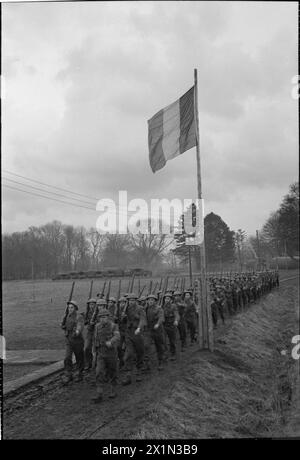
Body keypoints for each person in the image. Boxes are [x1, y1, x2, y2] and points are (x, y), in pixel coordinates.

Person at [91, 303, 120, 403]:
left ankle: (113, 390)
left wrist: (111, 341)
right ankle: (99, 393)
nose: (103, 319)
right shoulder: (97, 327)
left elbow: (117, 336)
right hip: (101, 353)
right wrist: (94, 350)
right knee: (99, 372)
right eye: (101, 317)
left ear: (108, 317)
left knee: (112, 372)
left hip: (111, 353)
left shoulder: (113, 326)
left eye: (105, 317)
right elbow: (95, 339)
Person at [121, 293, 146, 385]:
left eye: (133, 300)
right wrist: (123, 317)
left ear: (136, 300)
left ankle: (139, 370)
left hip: (138, 333)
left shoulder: (140, 308)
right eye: (130, 300)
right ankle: (128, 375)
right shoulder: (126, 309)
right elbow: (123, 321)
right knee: (129, 354)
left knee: (140, 353)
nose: (131, 302)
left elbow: (143, 320)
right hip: (129, 333)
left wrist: (139, 328)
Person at [61, 300, 84, 384]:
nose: (70, 309)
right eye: (69, 307)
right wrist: (62, 326)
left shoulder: (79, 316)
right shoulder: (67, 316)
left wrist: (77, 331)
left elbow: (80, 325)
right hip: (69, 340)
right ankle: (68, 374)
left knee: (79, 357)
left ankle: (79, 373)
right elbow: (63, 326)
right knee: (67, 357)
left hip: (77, 340)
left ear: (75, 308)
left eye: (72, 307)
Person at [145, 294, 165, 370]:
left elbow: (161, 318)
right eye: (149, 300)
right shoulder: (146, 308)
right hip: (149, 330)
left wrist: (157, 324)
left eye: (152, 300)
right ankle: (147, 364)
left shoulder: (159, 309)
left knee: (159, 346)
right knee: (146, 346)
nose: (150, 301)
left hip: (158, 330)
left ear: (155, 301)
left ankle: (160, 362)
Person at [162, 292, 179, 360]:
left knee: (172, 341)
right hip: (164, 325)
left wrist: (176, 320)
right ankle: (165, 353)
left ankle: (173, 353)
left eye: (168, 299)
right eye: (165, 299)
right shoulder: (162, 306)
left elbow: (176, 314)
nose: (166, 300)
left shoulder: (173, 306)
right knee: (163, 340)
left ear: (171, 300)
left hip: (172, 325)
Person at [83, 298, 97, 371]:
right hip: (89, 332)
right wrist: (87, 321)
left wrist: (94, 323)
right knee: (86, 348)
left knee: (95, 349)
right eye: (90, 304)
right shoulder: (87, 313)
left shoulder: (98, 312)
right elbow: (85, 322)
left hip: (96, 332)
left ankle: (95, 364)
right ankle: (88, 363)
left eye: (93, 304)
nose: (91, 306)